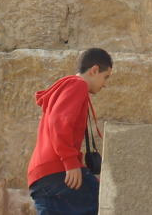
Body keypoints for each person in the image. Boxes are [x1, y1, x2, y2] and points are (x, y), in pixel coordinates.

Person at [27, 48, 112, 215]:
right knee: (108, 200)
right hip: (58, 169)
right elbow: (59, 122)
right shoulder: (78, 85)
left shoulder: (67, 88)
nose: (105, 84)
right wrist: (70, 162)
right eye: (105, 77)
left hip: (40, 178)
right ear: (94, 70)